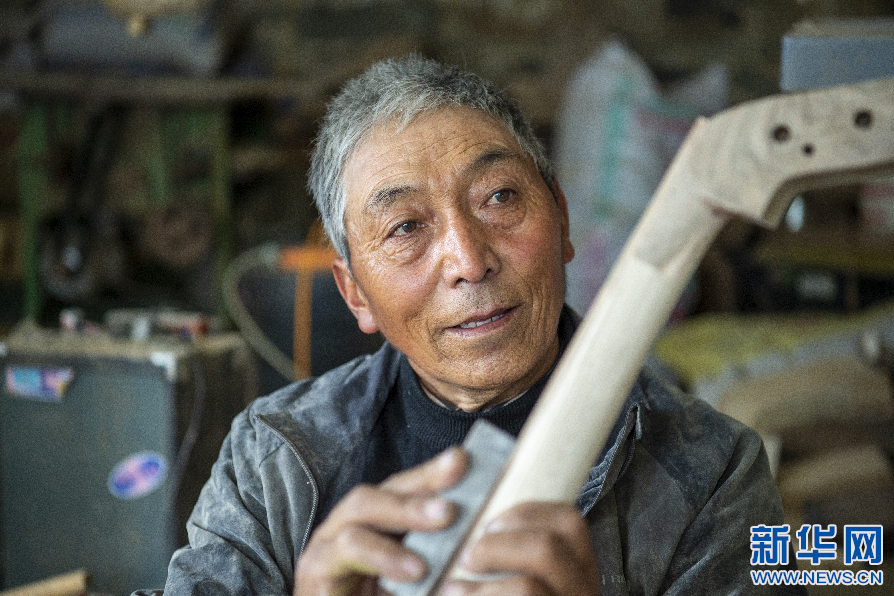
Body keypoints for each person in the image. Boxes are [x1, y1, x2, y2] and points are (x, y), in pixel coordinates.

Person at [147, 55, 804, 596]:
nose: (468, 260)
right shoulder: (276, 461)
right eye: (405, 227)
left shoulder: (710, 469)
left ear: (563, 223)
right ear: (356, 295)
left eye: (499, 197)